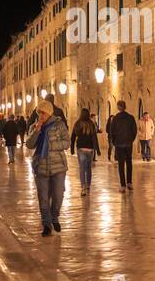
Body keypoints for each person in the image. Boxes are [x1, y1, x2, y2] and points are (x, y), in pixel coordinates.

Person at [25, 99, 70, 236]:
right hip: (41, 165)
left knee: (58, 196)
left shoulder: (59, 125)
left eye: (43, 113)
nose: (41, 116)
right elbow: (29, 145)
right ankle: (46, 224)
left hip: (58, 166)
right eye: (39, 113)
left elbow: (66, 143)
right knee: (43, 198)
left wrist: (52, 146)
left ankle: (54, 217)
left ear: (49, 113)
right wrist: (36, 131)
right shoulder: (35, 126)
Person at [107, 100, 138, 190]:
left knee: (121, 164)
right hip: (128, 144)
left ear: (118, 107)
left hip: (119, 144)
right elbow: (134, 130)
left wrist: (114, 142)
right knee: (129, 162)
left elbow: (112, 131)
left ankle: (123, 185)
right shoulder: (130, 117)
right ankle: (129, 182)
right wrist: (131, 140)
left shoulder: (115, 118)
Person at [70, 108, 100, 195]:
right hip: (90, 149)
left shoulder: (78, 123)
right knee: (88, 168)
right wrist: (97, 149)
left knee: (82, 169)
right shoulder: (91, 124)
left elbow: (73, 136)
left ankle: (83, 187)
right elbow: (94, 137)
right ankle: (88, 186)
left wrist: (72, 148)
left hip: (81, 148)